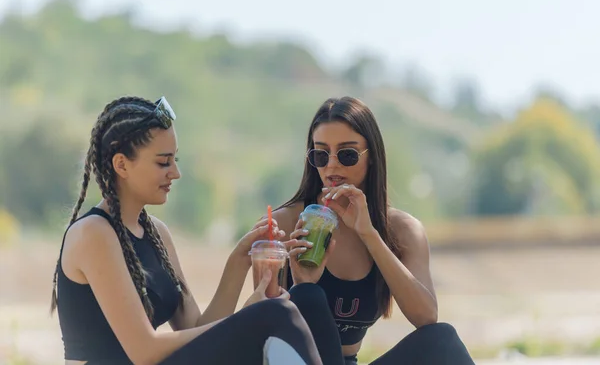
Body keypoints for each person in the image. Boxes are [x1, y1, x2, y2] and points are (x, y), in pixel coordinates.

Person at [49, 96, 337, 365]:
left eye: (176, 160)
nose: (175, 172)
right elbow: (144, 351)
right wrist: (249, 318)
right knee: (275, 313)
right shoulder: (93, 233)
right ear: (121, 164)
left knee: (290, 308)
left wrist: (239, 259)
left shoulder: (156, 233)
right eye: (163, 162)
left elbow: (195, 329)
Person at [271, 96, 476, 365]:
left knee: (442, 340)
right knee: (308, 294)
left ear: (372, 158)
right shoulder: (286, 223)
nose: (332, 165)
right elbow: (265, 328)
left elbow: (426, 317)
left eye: (347, 154)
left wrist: (370, 234)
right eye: (321, 154)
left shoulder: (402, 231)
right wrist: (301, 284)